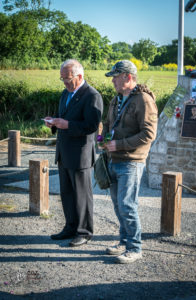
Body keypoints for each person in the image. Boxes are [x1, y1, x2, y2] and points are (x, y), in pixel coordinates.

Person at [102, 60, 158, 263]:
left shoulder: (143, 100)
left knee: (127, 205)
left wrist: (120, 144)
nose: (113, 81)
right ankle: (124, 241)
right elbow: (107, 124)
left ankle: (135, 248)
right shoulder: (116, 99)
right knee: (118, 205)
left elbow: (149, 134)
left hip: (132, 161)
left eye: (115, 77)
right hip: (113, 159)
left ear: (127, 77)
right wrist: (104, 140)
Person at [45, 59, 103, 247]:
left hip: (80, 154)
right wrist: (53, 122)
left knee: (81, 196)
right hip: (63, 152)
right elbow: (63, 117)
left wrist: (67, 124)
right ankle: (70, 227)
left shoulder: (92, 95)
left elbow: (92, 125)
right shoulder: (65, 92)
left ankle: (84, 232)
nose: (64, 83)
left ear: (79, 76)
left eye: (67, 79)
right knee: (67, 193)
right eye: (62, 79)